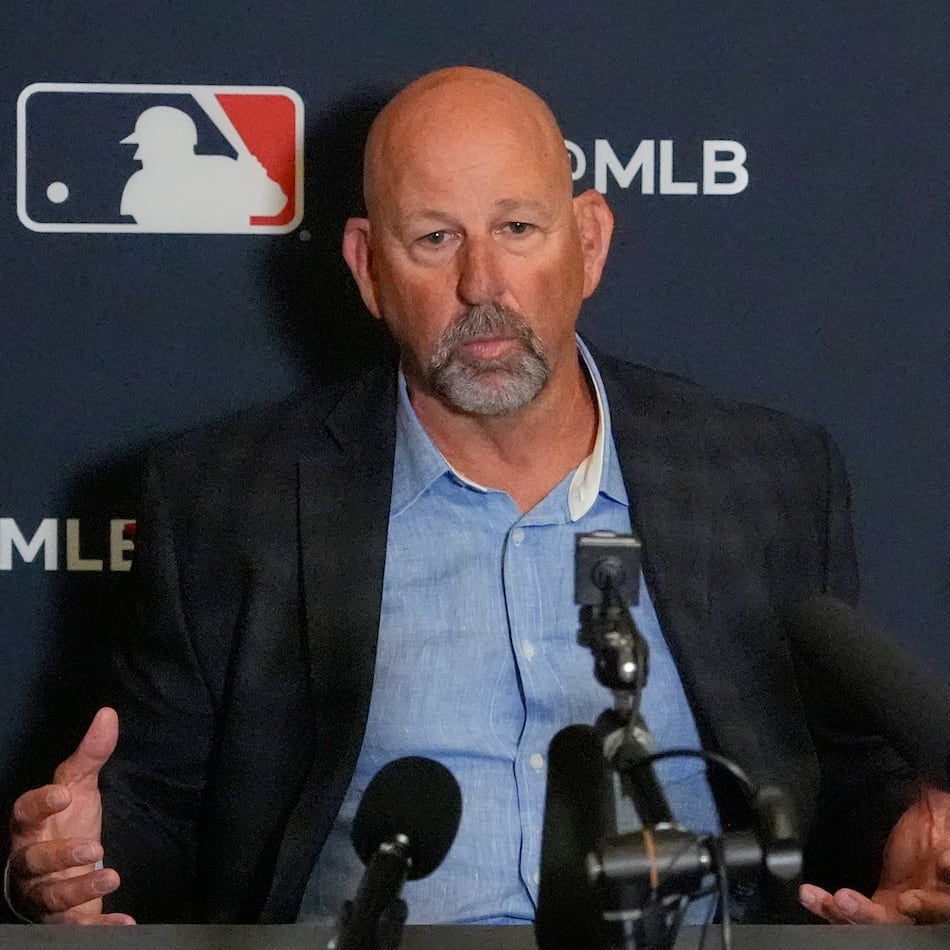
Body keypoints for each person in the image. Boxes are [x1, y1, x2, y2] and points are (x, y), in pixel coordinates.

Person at [7, 67, 950, 928]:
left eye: (517, 229)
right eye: (434, 238)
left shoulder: (768, 477)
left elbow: (844, 777)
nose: (481, 285)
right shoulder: (226, 501)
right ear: (368, 267)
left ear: (587, 242)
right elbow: (154, 809)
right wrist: (69, 864)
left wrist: (898, 849)